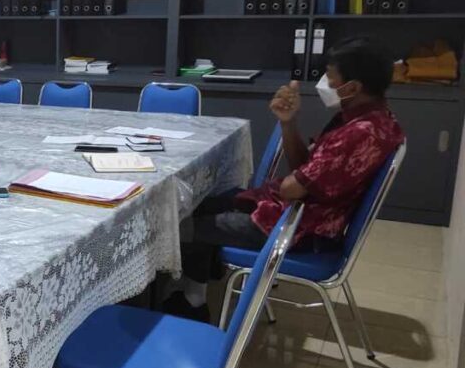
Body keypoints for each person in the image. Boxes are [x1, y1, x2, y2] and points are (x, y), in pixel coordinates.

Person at [163, 37, 405, 323]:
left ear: (352, 87)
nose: (324, 84)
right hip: (295, 213)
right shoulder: (373, 119)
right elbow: (305, 168)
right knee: (198, 203)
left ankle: (193, 302)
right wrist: (288, 122)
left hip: (298, 229)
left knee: (181, 225)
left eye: (330, 78)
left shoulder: (360, 133)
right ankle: (203, 277)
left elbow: (292, 188)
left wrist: (293, 181)